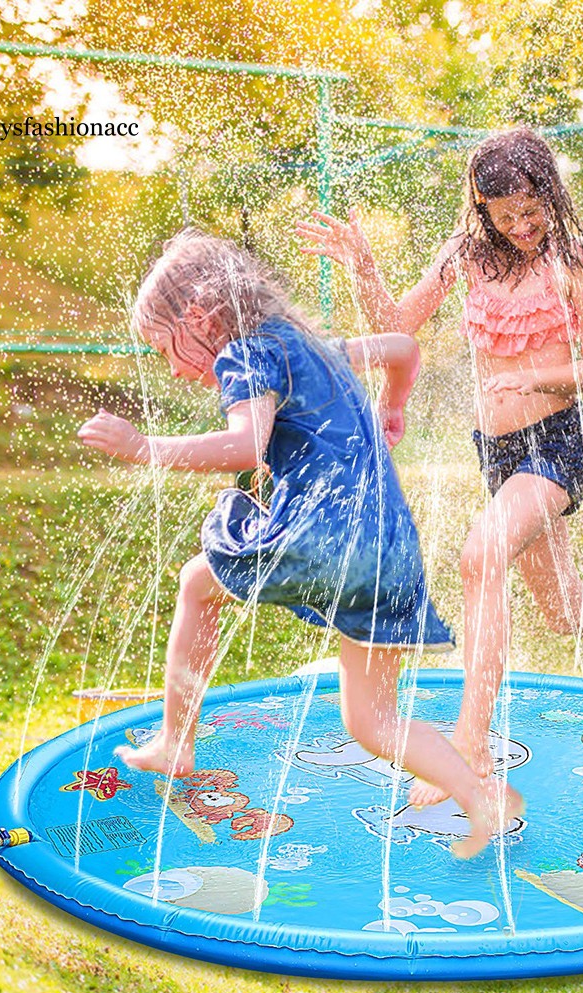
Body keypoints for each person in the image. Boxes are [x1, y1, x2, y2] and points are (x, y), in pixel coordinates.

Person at [77, 228, 523, 858]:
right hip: (387, 545)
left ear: (200, 317)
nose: (173, 369)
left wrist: (142, 448)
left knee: (195, 584)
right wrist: (392, 409)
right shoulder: (312, 345)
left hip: (325, 534)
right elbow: (401, 347)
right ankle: (479, 798)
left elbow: (242, 446)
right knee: (371, 722)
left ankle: (177, 740)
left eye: (164, 348)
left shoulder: (246, 354)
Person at [297, 127, 583, 806]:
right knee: (562, 608)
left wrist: (533, 379)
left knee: (480, 555)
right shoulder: (466, 256)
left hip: (554, 441)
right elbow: (396, 321)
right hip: (499, 454)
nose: (521, 226)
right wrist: (362, 263)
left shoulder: (575, 260)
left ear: (550, 193)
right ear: (481, 209)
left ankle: (469, 744)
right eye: (504, 216)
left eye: (531, 211)